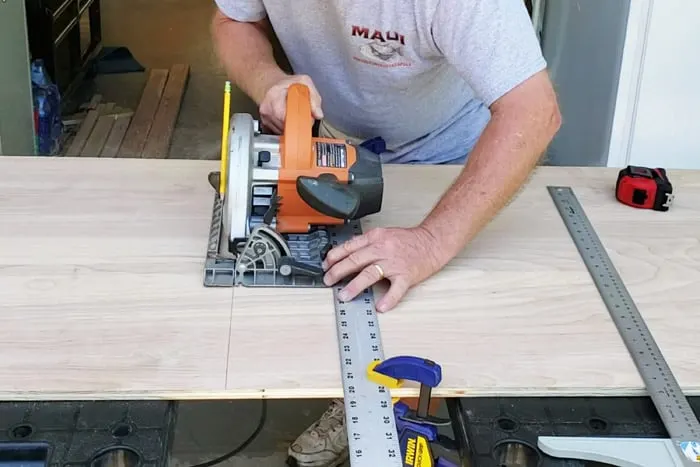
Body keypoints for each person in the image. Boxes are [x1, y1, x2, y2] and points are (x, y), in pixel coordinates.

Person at [211, 0, 561, 465]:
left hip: (446, 157)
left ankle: (406, 417)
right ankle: (363, 399)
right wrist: (269, 82)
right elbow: (232, 20)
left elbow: (534, 112)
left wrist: (432, 241)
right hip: (333, 141)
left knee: (418, 310)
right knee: (345, 296)